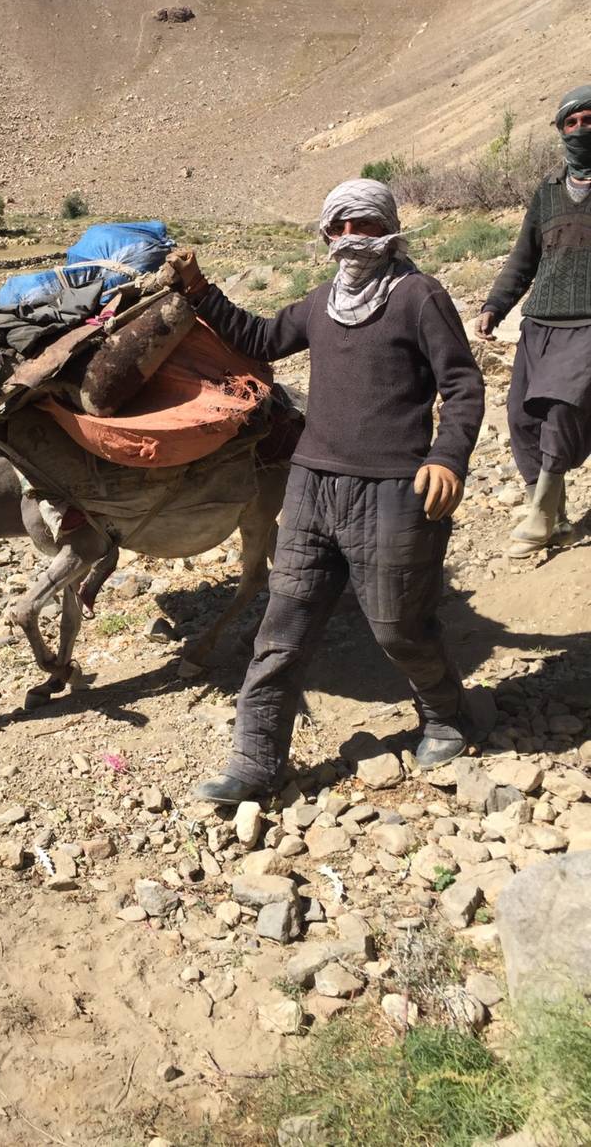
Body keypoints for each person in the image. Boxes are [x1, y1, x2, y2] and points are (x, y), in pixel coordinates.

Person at [163, 179, 485, 806]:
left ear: (388, 228)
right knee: (282, 628)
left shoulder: (419, 296)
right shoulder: (322, 302)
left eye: (364, 224)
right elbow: (260, 340)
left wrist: (448, 456)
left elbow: (464, 386)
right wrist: (200, 289)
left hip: (394, 492)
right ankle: (255, 761)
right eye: (339, 227)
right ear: (326, 234)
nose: (351, 237)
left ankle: (446, 714)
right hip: (311, 487)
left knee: (396, 627)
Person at [477, 83, 591, 557]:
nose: (580, 129)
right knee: (522, 418)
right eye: (572, 121)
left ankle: (541, 514)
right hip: (539, 321)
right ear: (560, 130)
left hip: (588, 325)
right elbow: (523, 258)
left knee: (562, 410)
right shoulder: (547, 191)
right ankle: (550, 512)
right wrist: (494, 305)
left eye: (589, 120)